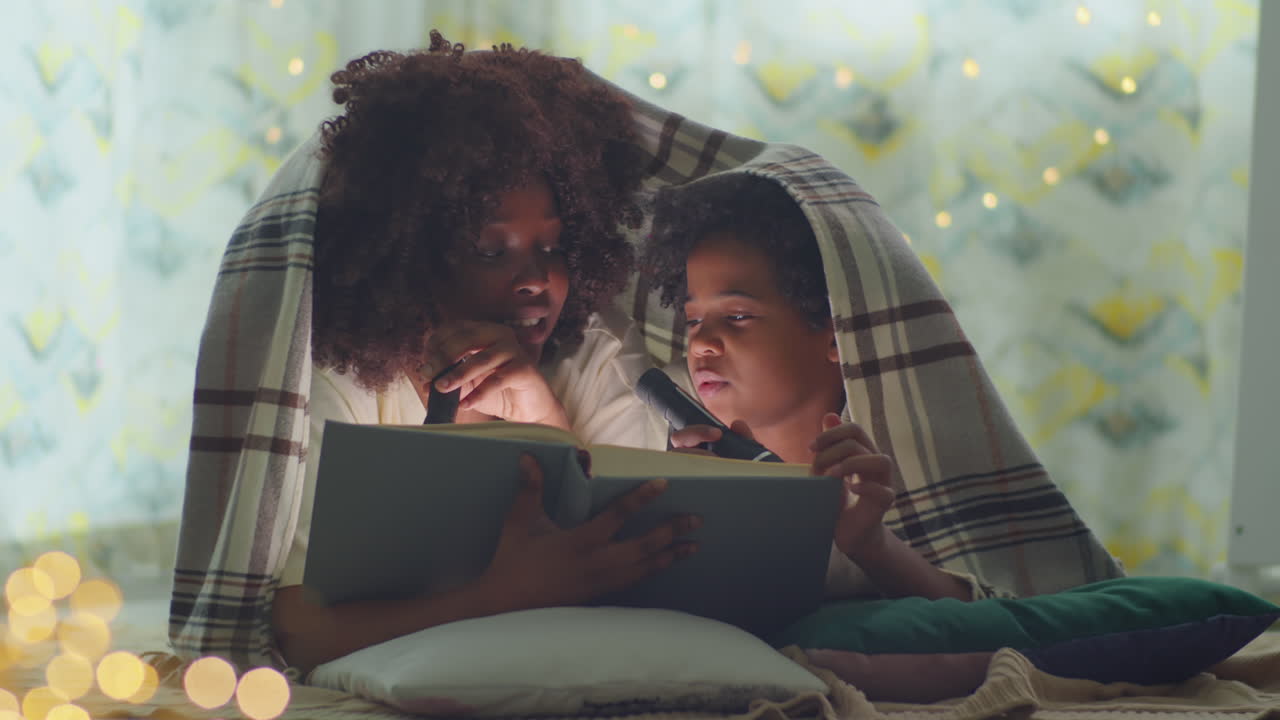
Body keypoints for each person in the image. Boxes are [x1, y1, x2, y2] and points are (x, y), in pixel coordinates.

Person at [173, 32, 696, 674]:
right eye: (491, 250)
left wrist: (544, 420)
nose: (537, 278)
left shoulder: (598, 355)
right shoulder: (336, 384)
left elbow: (627, 571)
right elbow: (301, 635)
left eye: (553, 247)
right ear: (408, 258)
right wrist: (498, 597)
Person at [641, 173, 996, 601]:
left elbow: (998, 625)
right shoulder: (662, 466)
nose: (701, 344)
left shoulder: (901, 466)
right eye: (694, 320)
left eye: (737, 317)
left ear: (834, 333)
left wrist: (873, 546)